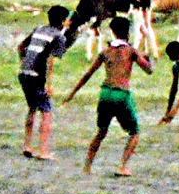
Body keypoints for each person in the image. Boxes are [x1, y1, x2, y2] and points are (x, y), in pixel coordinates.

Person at [63, 15, 152, 176]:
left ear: (112, 32)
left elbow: (88, 74)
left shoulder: (105, 52)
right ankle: (122, 166)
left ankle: (87, 166)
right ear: (128, 32)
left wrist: (71, 94)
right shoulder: (131, 51)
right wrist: (147, 57)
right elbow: (148, 70)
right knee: (134, 132)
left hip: (105, 93)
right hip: (121, 94)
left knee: (101, 131)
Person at [17, 4, 71, 160]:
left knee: (32, 108)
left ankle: (27, 145)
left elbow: (21, 47)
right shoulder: (59, 37)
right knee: (47, 112)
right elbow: (50, 60)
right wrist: (48, 84)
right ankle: (43, 150)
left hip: (24, 73)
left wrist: (25, 63)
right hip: (37, 75)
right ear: (63, 21)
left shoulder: (39, 29)